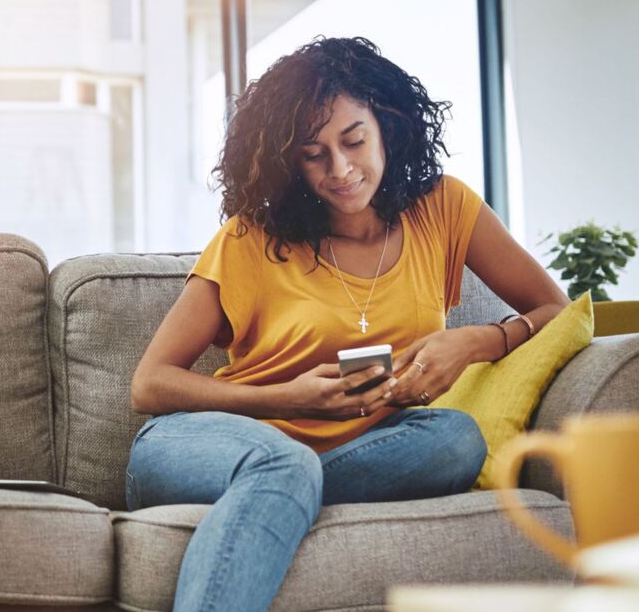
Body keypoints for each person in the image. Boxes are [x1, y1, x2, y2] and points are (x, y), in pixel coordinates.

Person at [127, 37, 570, 611]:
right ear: (290, 161)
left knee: (456, 438)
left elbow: (553, 309)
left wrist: (476, 342)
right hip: (204, 445)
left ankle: (283, 495)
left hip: (361, 455)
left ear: (387, 124)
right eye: (313, 154)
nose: (340, 169)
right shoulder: (250, 238)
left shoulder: (445, 208)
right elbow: (150, 384)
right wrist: (290, 399)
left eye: (353, 140)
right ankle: (284, 484)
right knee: (282, 462)